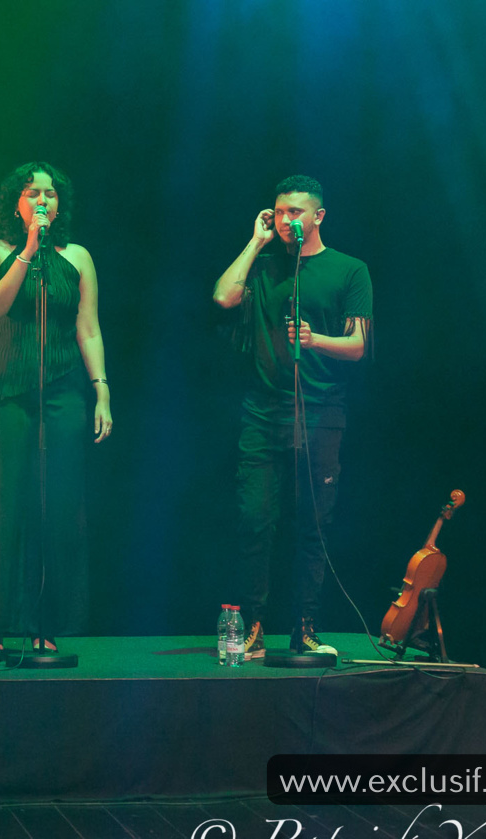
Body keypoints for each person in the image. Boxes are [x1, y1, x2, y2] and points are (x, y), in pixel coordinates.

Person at [212, 176, 373, 658]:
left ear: (318, 216)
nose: (287, 221)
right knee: (254, 519)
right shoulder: (262, 265)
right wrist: (254, 240)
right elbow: (222, 297)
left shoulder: (349, 270)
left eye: (297, 213)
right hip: (262, 412)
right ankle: (254, 627)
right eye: (280, 212)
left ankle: (304, 627)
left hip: (322, 412)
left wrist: (315, 341)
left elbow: (359, 345)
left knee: (313, 523)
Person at [0, 162, 112, 658]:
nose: (43, 201)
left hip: (64, 390)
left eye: (50, 194)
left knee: (59, 504)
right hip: (5, 390)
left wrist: (102, 391)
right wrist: (28, 251)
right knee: (3, 507)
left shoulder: (78, 257)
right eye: (33, 194)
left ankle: (50, 621)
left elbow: (87, 327)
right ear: (18, 204)